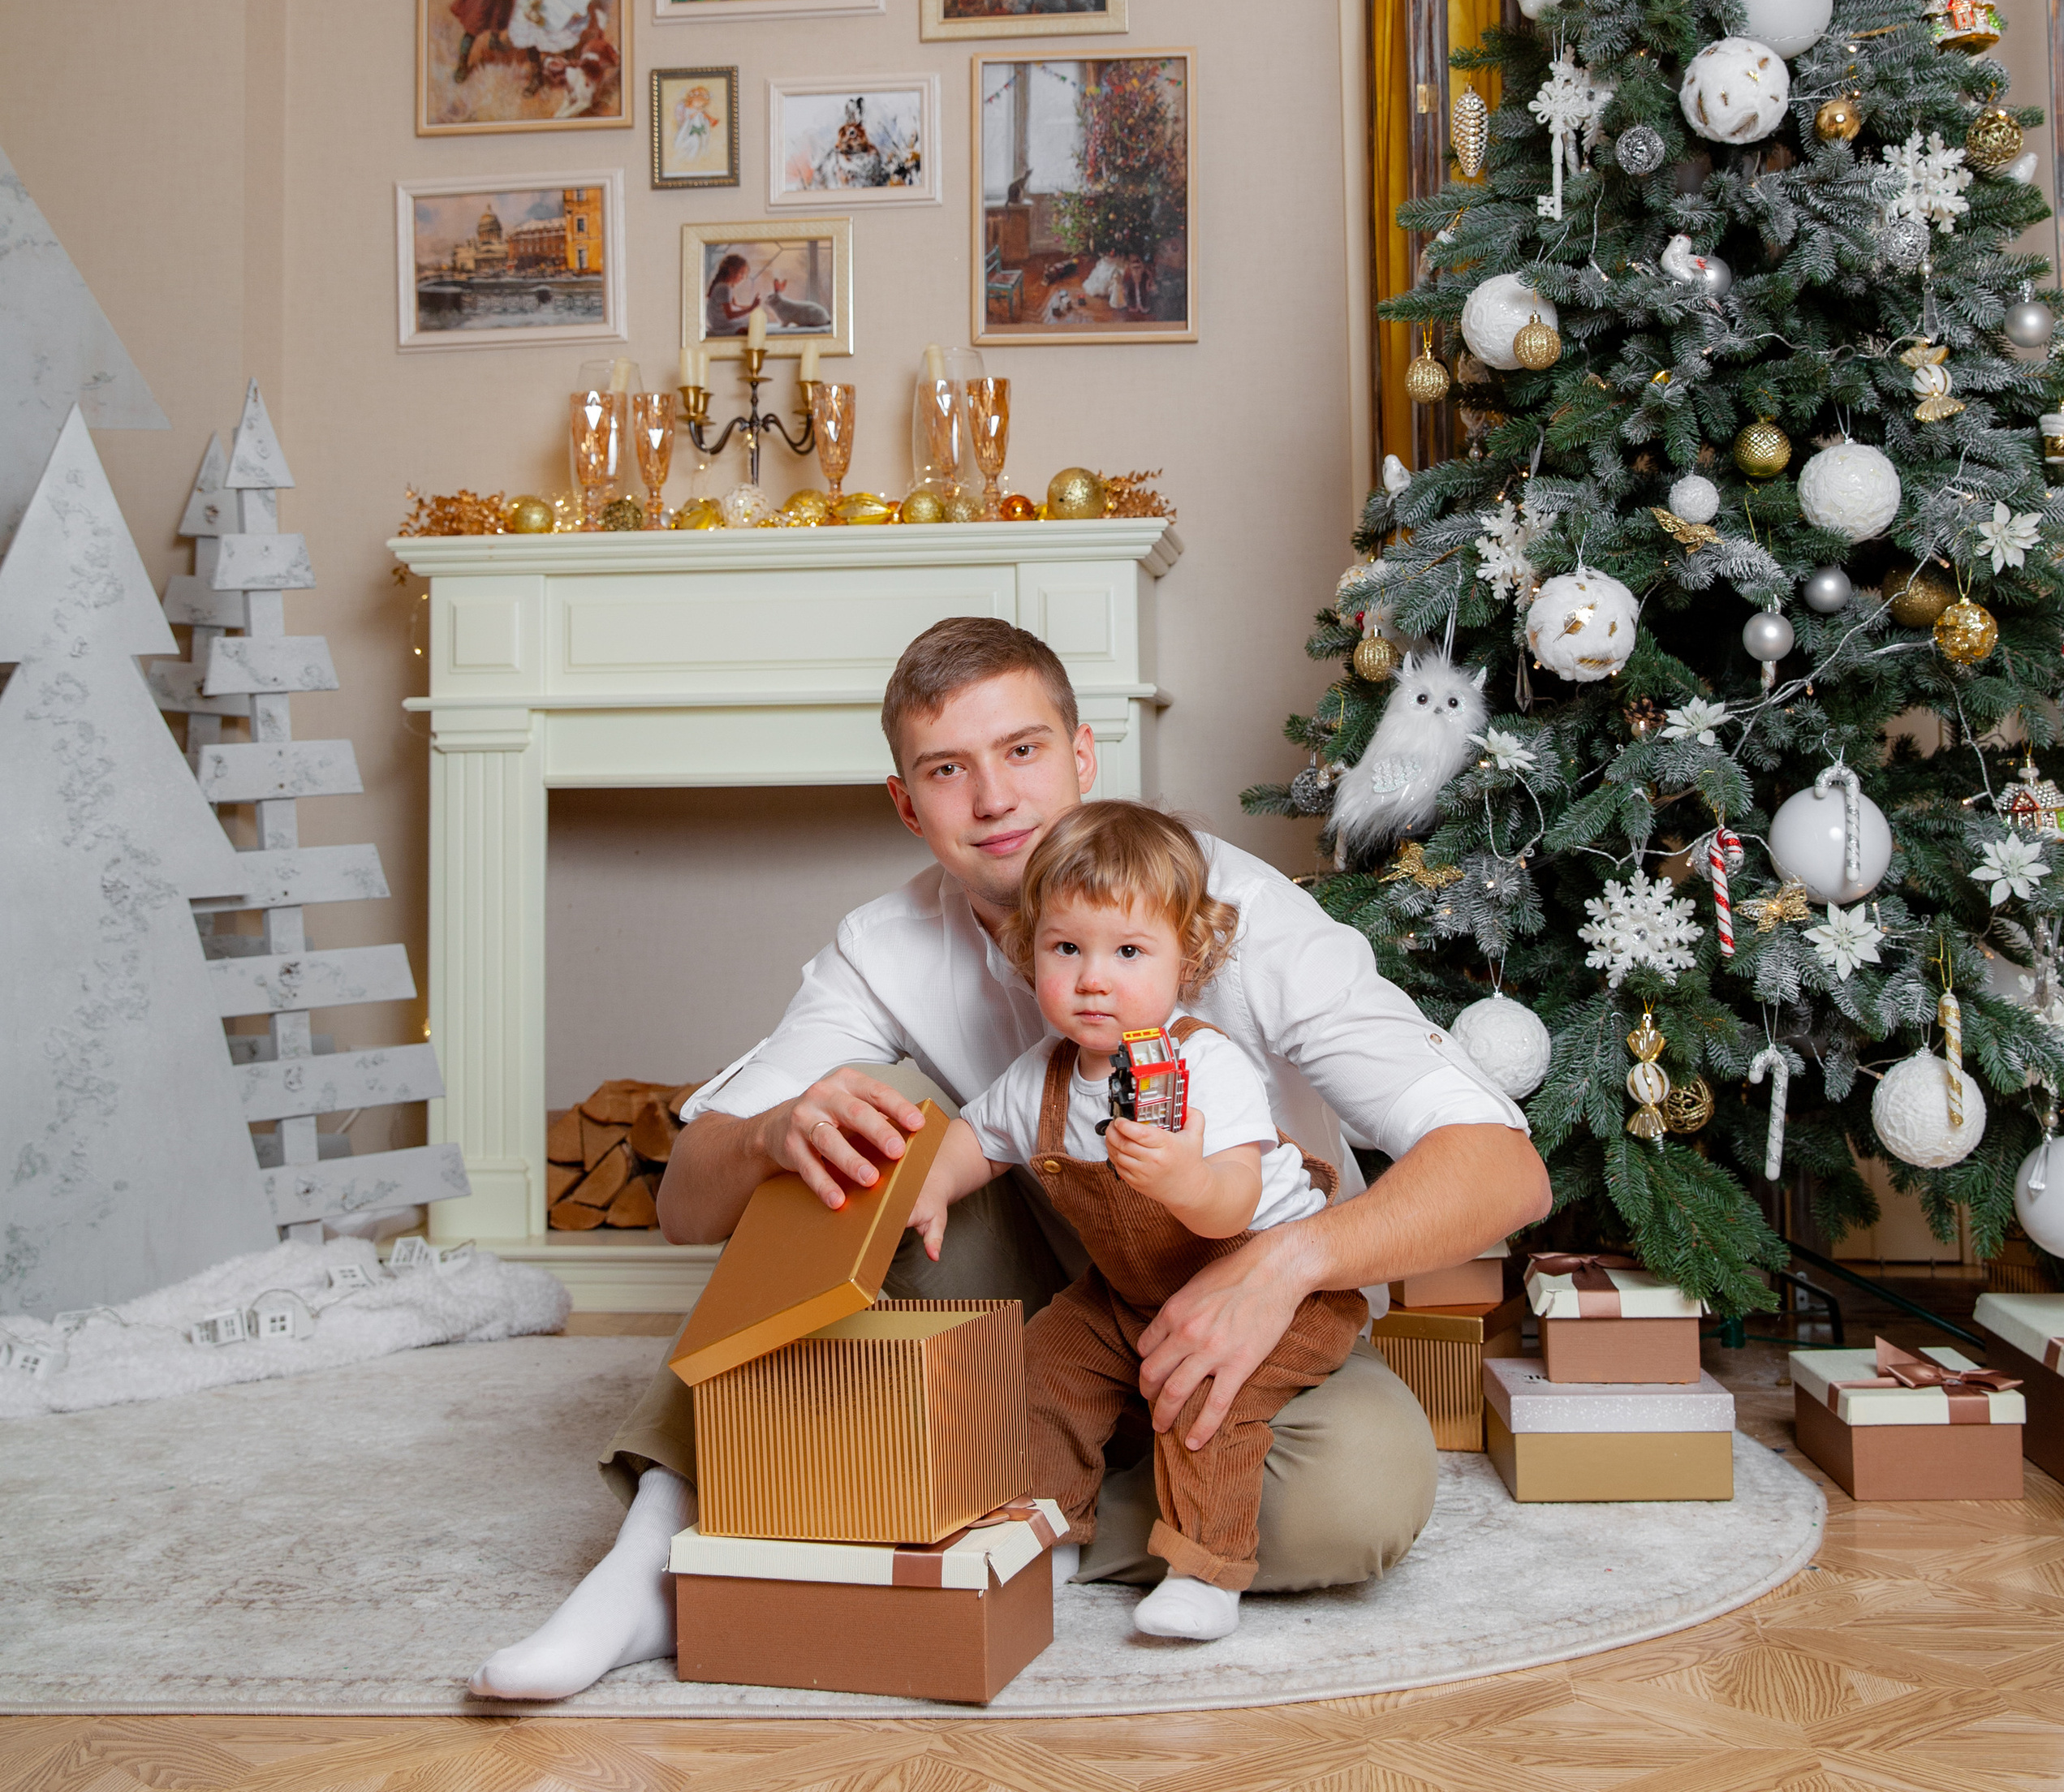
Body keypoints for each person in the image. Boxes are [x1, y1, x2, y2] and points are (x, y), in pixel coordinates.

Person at [470, 616, 1549, 1700]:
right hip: (1056, 1294)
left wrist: (1283, 1267)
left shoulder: (1248, 918)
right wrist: (768, 1135)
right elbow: (689, 1204)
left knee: (1361, 1492)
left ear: (1083, 758)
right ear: (907, 803)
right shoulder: (884, 945)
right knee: (850, 1141)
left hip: (1260, 1310)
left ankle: (950, 1502)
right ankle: (657, 1562)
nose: (995, 801)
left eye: (1024, 752)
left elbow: (1505, 1169)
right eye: (949, 770)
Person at [911, 801, 1369, 1645]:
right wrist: (933, 1185)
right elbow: (977, 1139)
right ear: (1029, 953)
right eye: (1066, 949)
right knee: (1044, 1367)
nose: (1093, 978)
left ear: (1185, 958)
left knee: (1204, 1399)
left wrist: (1185, 1178)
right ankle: (1043, 1529)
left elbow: (1232, 1198)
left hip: (1265, 1283)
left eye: (1127, 951)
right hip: (1131, 1293)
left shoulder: (1203, 1063)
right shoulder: (1041, 1078)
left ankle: (1204, 1569)